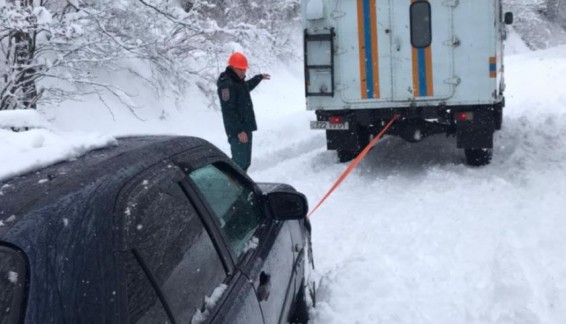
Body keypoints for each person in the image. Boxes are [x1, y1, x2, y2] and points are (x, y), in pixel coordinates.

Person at [216, 52, 270, 171]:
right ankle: (231, 186)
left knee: (245, 162)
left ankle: (239, 186)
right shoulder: (227, 84)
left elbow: (246, 87)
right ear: (233, 68)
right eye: (241, 70)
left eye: (245, 70)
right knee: (239, 163)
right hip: (237, 131)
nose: (244, 72)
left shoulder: (237, 81)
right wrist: (239, 131)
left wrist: (258, 78)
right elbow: (228, 111)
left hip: (245, 127)